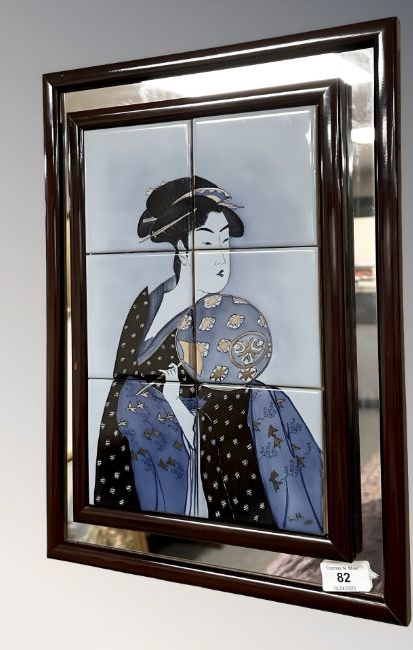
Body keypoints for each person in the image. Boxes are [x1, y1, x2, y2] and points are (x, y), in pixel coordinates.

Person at [94, 176, 323, 534]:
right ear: (182, 249)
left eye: (224, 241)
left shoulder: (225, 315)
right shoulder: (146, 304)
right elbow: (119, 386)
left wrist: (178, 406)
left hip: (213, 441)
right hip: (140, 448)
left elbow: (223, 390)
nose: (221, 256)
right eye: (206, 242)